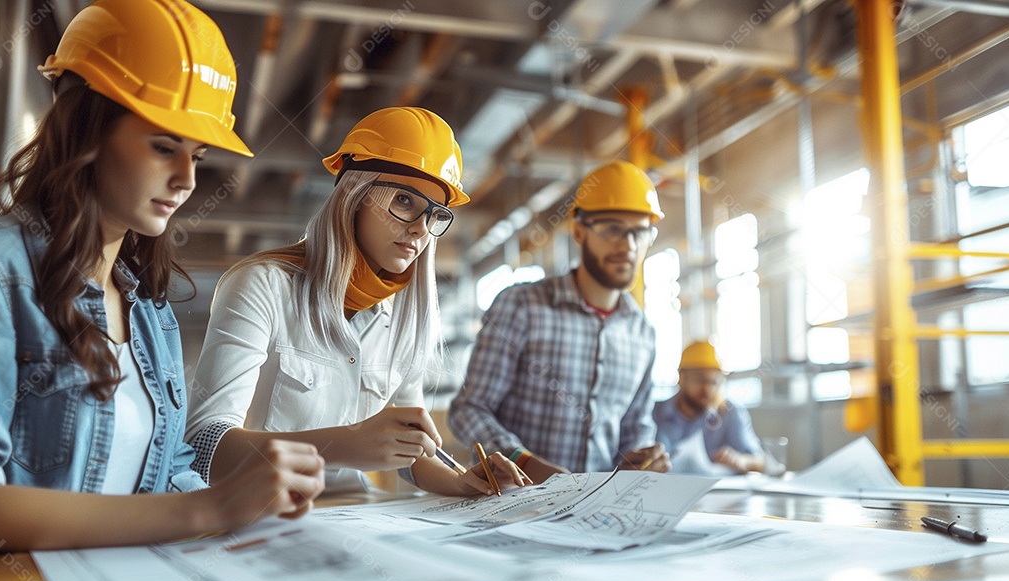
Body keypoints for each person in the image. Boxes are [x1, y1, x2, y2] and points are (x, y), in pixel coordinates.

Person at [0, 0, 325, 553]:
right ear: (84, 131)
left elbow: (170, 471)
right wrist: (206, 507)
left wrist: (248, 507)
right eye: (165, 147)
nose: (187, 179)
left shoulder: (149, 310)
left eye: (198, 155)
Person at [185, 107, 527, 497]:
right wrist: (344, 444)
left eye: (434, 215)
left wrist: (466, 482)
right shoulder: (261, 286)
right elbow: (203, 444)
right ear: (355, 195)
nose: (419, 228)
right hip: (259, 514)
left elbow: (412, 452)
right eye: (403, 200)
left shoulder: (401, 317)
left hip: (355, 515)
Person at [448, 160, 671, 483]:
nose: (628, 246)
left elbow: (635, 426)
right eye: (612, 229)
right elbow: (469, 410)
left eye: (640, 232)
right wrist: (523, 462)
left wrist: (643, 457)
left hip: (597, 516)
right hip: (515, 505)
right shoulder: (522, 305)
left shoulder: (643, 333)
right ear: (579, 231)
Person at [652, 341, 767, 474]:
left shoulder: (729, 413)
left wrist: (741, 460)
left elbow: (760, 460)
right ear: (681, 377)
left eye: (714, 382)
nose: (707, 389)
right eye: (699, 379)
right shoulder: (652, 413)